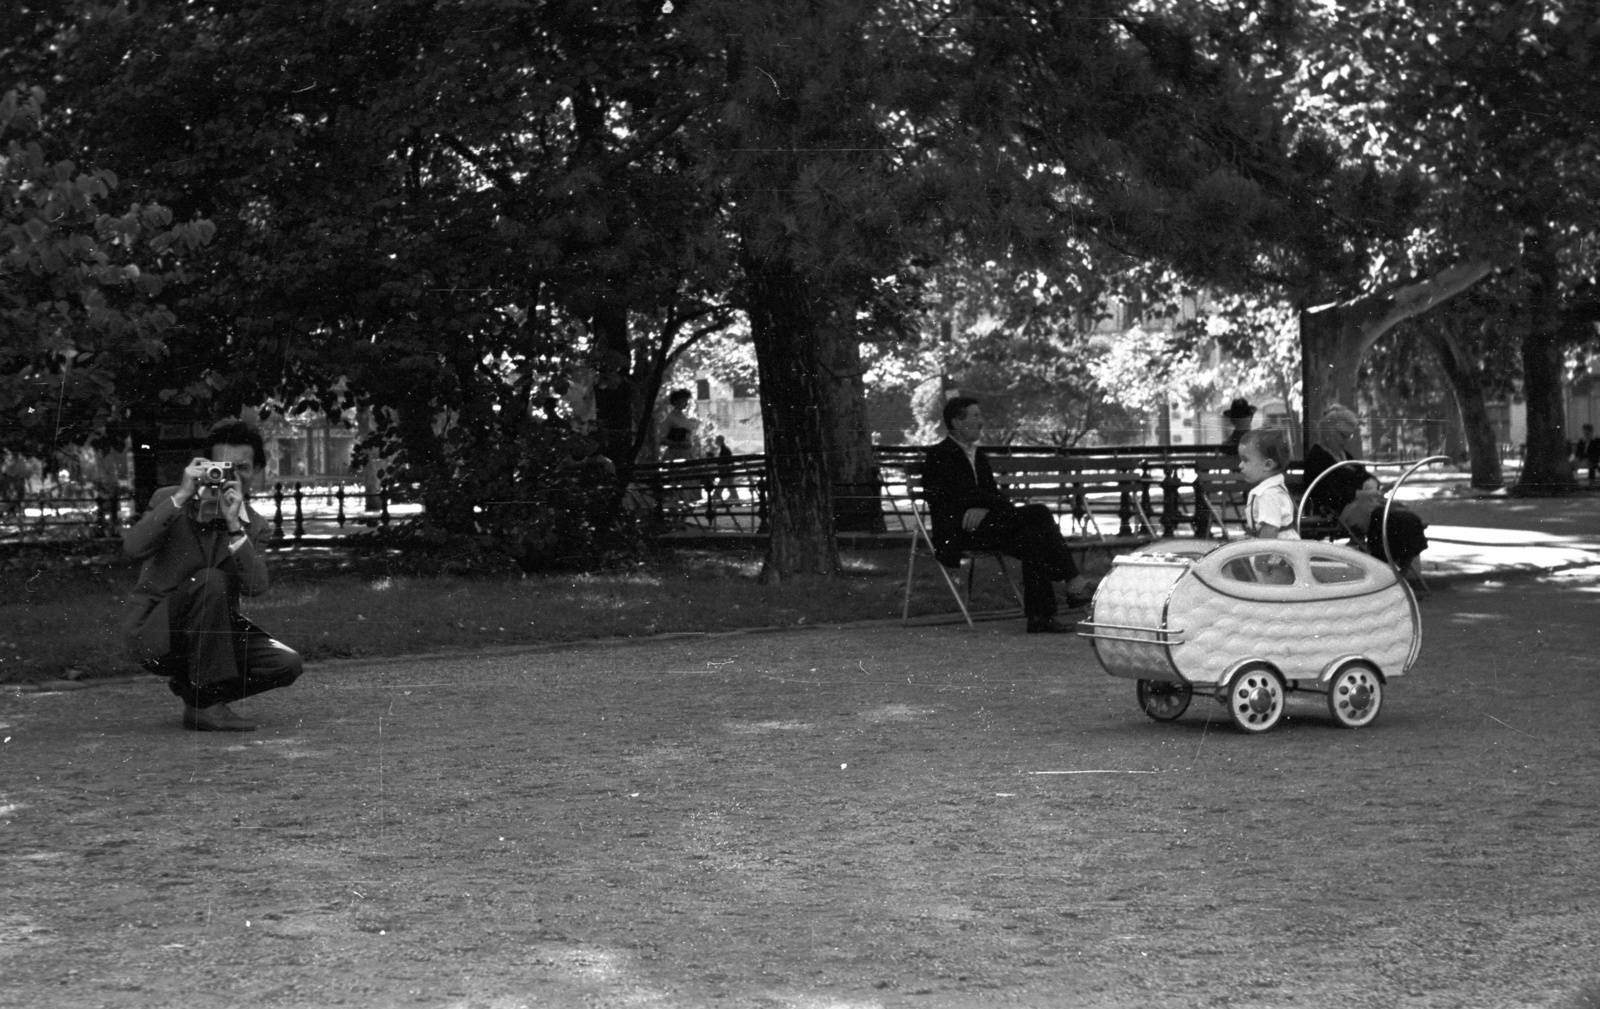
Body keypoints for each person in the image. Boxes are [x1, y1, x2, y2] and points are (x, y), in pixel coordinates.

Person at [122, 419, 303, 732]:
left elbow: (256, 587)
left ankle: (199, 700)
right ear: (205, 467)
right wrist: (181, 497)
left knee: (286, 664)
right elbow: (133, 548)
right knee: (211, 580)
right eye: (222, 468)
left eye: (242, 469)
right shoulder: (170, 499)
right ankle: (207, 706)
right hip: (160, 630)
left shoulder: (253, 524)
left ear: (259, 471)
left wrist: (235, 526)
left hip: (213, 635)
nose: (230, 478)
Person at [922, 396, 1096, 634]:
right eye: (975, 416)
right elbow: (952, 497)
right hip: (959, 532)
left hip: (987, 527)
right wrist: (982, 505)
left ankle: (1040, 619)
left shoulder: (979, 456)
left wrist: (983, 508)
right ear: (958, 422)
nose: (981, 422)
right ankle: (1072, 581)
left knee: (1034, 537)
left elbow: (994, 497)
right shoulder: (938, 455)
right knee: (1039, 513)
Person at [1302, 404, 1428, 579]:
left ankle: (1403, 573)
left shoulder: (1345, 456)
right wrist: (1358, 494)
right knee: (1391, 520)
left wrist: (1373, 484)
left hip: (1363, 506)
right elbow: (1323, 493)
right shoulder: (1317, 457)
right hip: (1338, 510)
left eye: (1350, 435)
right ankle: (1393, 573)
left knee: (1403, 516)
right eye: (1343, 435)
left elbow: (1364, 476)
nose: (1347, 440)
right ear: (1328, 431)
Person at [1238, 429, 1298, 541]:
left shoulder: (1268, 494)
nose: (1240, 465)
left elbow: (1269, 532)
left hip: (1276, 555)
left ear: (1267, 465)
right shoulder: (1273, 489)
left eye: (1245, 460)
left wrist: (1262, 559)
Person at [658, 389, 698, 462]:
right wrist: (678, 444)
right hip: (675, 456)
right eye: (683, 400)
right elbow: (661, 439)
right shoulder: (670, 418)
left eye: (686, 401)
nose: (685, 403)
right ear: (676, 401)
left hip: (687, 454)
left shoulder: (684, 417)